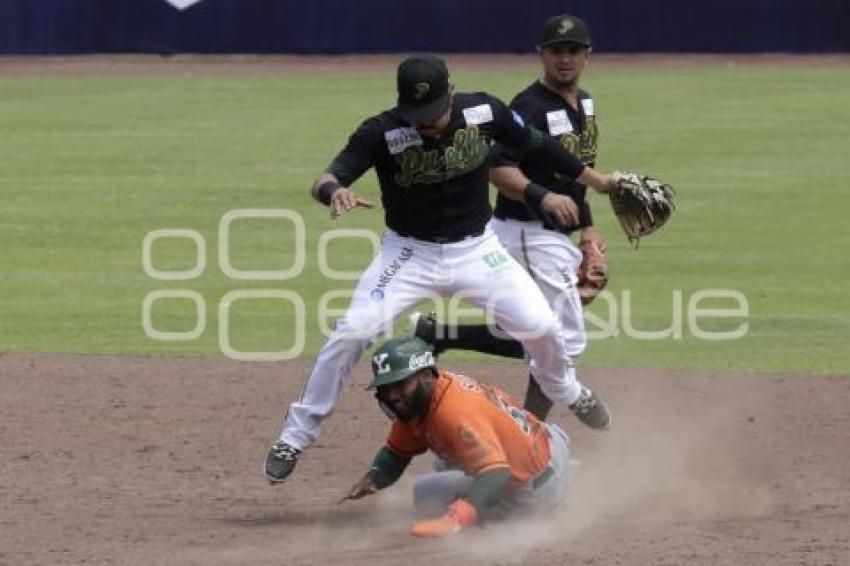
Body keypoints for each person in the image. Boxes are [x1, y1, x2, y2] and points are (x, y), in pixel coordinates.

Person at [265, 53, 617, 484]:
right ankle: (295, 435)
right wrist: (334, 192)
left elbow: (540, 146)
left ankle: (567, 388)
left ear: (451, 92)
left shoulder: (484, 111)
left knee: (543, 326)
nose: (427, 124)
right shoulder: (382, 130)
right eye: (418, 116)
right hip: (408, 255)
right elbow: (325, 177)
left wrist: (597, 183)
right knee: (352, 332)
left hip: (478, 251)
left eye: (433, 113)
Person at [412, 14, 606, 422]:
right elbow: (497, 168)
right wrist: (544, 196)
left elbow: (576, 170)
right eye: (556, 50)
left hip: (553, 236)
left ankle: (439, 334)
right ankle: (532, 436)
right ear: (541, 54)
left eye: (573, 50)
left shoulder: (584, 103)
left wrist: (587, 231)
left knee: (538, 333)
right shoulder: (528, 107)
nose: (565, 59)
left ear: (587, 55)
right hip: (526, 233)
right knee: (561, 341)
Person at [340, 337, 571, 537]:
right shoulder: (430, 394)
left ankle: (537, 509)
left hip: (533, 491)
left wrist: (457, 517)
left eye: (400, 385)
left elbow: (496, 473)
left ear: (426, 375)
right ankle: (566, 469)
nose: (393, 396)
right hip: (550, 442)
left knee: (426, 495)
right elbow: (396, 454)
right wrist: (373, 477)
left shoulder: (453, 413)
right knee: (445, 458)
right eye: (386, 388)